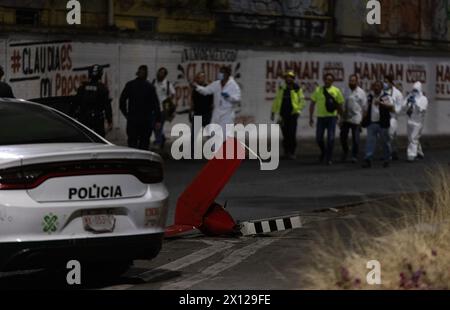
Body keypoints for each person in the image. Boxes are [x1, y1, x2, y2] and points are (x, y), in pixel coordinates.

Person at [193, 66, 241, 140]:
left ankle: (226, 149)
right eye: (220, 72)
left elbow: (237, 98)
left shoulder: (233, 85)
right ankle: (214, 149)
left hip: (227, 113)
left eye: (222, 72)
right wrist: (197, 87)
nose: (220, 74)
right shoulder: (216, 84)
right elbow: (206, 90)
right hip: (217, 112)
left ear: (227, 74)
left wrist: (229, 97)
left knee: (225, 134)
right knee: (212, 132)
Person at [120, 65, 161, 150]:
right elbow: (156, 105)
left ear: (137, 73)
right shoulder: (150, 87)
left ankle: (133, 161)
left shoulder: (130, 85)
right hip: (146, 121)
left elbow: (122, 101)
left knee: (132, 143)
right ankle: (142, 162)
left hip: (133, 120)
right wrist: (158, 120)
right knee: (144, 144)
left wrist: (126, 114)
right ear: (146, 75)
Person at [309, 73, 345, 165]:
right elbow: (312, 103)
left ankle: (328, 158)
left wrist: (342, 118)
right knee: (319, 138)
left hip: (332, 117)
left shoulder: (336, 91)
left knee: (331, 138)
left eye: (329, 79)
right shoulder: (318, 90)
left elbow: (340, 105)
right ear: (324, 80)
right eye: (326, 79)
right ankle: (324, 151)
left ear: (332, 81)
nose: (327, 81)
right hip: (320, 117)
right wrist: (311, 117)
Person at [271, 70, 306, 160]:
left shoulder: (297, 89)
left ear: (293, 79)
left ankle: (292, 152)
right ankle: (286, 152)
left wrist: (298, 110)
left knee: (292, 134)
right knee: (285, 134)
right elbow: (277, 100)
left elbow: (302, 101)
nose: (288, 78)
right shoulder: (282, 88)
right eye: (287, 77)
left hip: (293, 115)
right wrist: (273, 111)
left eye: (290, 77)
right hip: (282, 115)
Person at [72, 65, 112, 137]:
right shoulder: (103, 88)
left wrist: (71, 116)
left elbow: (75, 103)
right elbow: (107, 106)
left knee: (84, 137)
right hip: (97, 118)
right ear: (100, 74)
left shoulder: (82, 87)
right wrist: (110, 121)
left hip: (83, 117)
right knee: (99, 140)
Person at [362, 80, 394, 168]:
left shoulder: (385, 96)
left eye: (378, 86)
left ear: (381, 88)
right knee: (369, 142)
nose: (376, 88)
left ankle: (387, 158)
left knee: (385, 142)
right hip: (371, 123)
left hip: (382, 123)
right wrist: (363, 119)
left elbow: (391, 107)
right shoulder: (370, 97)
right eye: (375, 86)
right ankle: (368, 159)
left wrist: (381, 103)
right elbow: (365, 109)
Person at [340, 74, 367, 163]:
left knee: (356, 139)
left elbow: (364, 108)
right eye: (350, 80)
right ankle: (345, 151)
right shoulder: (345, 91)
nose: (351, 82)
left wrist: (362, 121)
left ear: (357, 81)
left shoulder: (361, 92)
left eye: (353, 80)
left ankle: (354, 155)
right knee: (343, 137)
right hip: (345, 118)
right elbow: (341, 105)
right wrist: (340, 118)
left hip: (356, 119)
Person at [190, 72, 214, 156]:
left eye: (201, 77)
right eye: (198, 77)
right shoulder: (195, 89)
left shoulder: (208, 88)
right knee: (194, 134)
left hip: (207, 113)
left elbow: (212, 101)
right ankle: (192, 153)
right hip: (197, 113)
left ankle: (213, 151)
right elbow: (192, 101)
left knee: (210, 134)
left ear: (204, 78)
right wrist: (191, 111)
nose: (200, 79)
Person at [152, 67, 176, 150]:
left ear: (165, 75)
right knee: (153, 125)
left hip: (162, 109)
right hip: (153, 108)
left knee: (159, 126)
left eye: (162, 73)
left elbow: (173, 94)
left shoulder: (168, 84)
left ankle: (158, 142)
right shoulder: (154, 82)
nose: (160, 74)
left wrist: (168, 103)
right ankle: (162, 138)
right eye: (159, 72)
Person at [405, 81, 428, 162]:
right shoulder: (410, 96)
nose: (414, 92)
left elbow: (422, 110)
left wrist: (416, 103)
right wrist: (407, 102)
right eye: (413, 90)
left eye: (416, 90)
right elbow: (403, 106)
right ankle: (419, 152)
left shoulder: (423, 99)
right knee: (411, 138)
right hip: (410, 120)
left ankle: (411, 155)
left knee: (413, 138)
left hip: (418, 122)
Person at [384, 75, 404, 160]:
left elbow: (399, 109)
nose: (384, 84)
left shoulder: (398, 94)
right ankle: (394, 151)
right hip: (384, 116)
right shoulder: (384, 92)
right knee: (389, 136)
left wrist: (392, 109)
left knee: (390, 135)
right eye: (384, 82)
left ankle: (389, 154)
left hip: (393, 117)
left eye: (386, 82)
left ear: (391, 82)